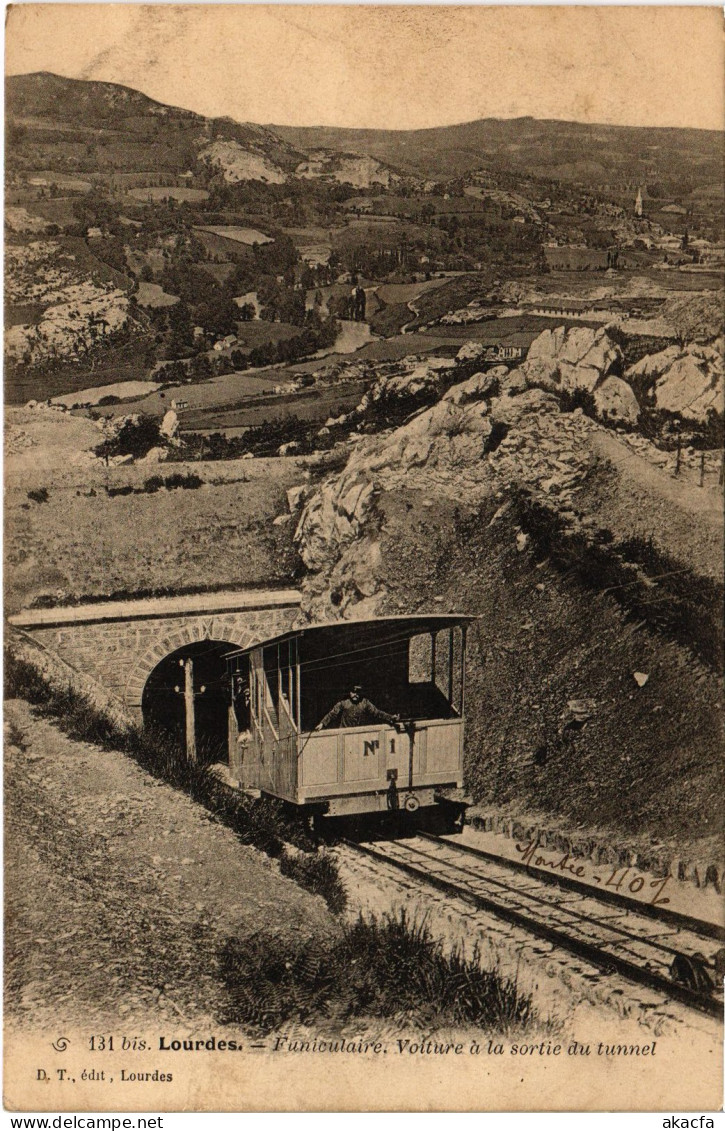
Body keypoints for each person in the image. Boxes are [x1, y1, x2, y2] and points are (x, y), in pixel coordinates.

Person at [315, 685, 400, 730]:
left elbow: (377, 713)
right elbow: (332, 714)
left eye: (358, 692)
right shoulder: (343, 703)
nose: (355, 695)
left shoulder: (365, 702)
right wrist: (322, 724)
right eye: (353, 692)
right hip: (345, 733)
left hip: (358, 733)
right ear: (350, 693)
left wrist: (391, 717)